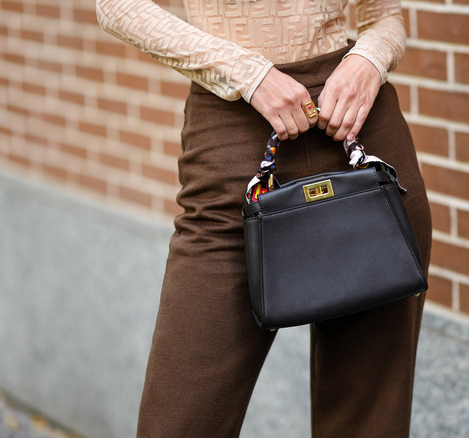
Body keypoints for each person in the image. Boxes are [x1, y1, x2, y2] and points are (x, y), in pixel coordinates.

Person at [95, 0, 432, 435]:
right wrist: (248, 73)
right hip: (234, 141)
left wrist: (368, 61)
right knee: (179, 421)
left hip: (360, 138)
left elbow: (383, 15)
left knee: (370, 421)